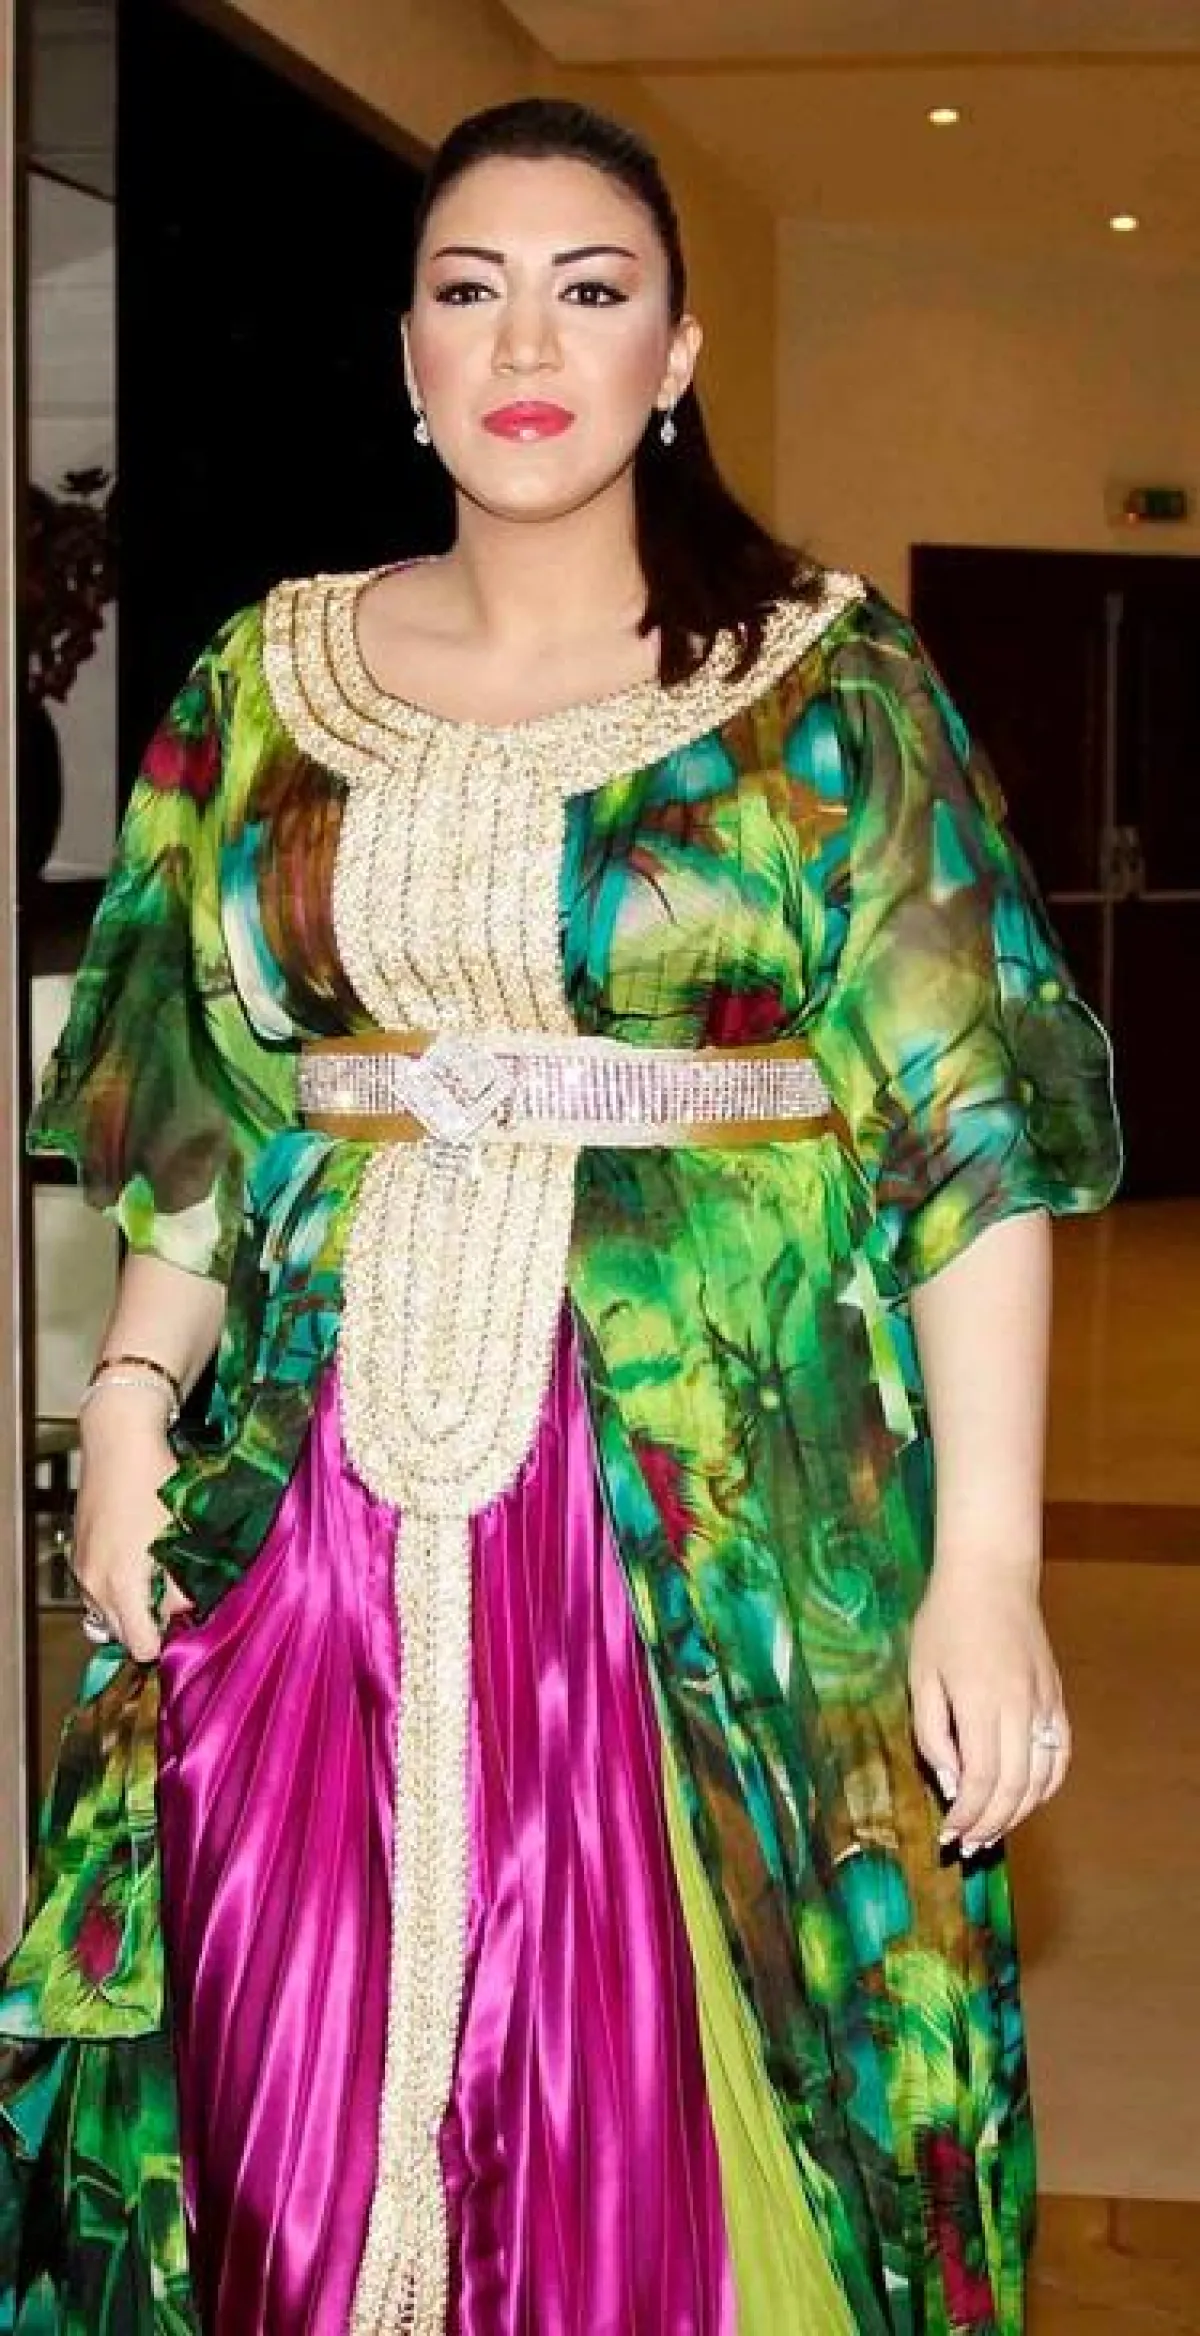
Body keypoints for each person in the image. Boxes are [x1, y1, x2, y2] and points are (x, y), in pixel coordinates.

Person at [0, 94, 1120, 2336]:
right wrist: (126, 1397)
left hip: (706, 1523)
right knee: (272, 2093)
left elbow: (968, 1137)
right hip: (313, 1507)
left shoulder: (828, 688)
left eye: (589, 291)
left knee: (665, 2126)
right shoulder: (265, 682)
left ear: (675, 352)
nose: (527, 341)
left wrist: (988, 1562)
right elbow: (205, 1102)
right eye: (470, 288)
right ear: (406, 353)